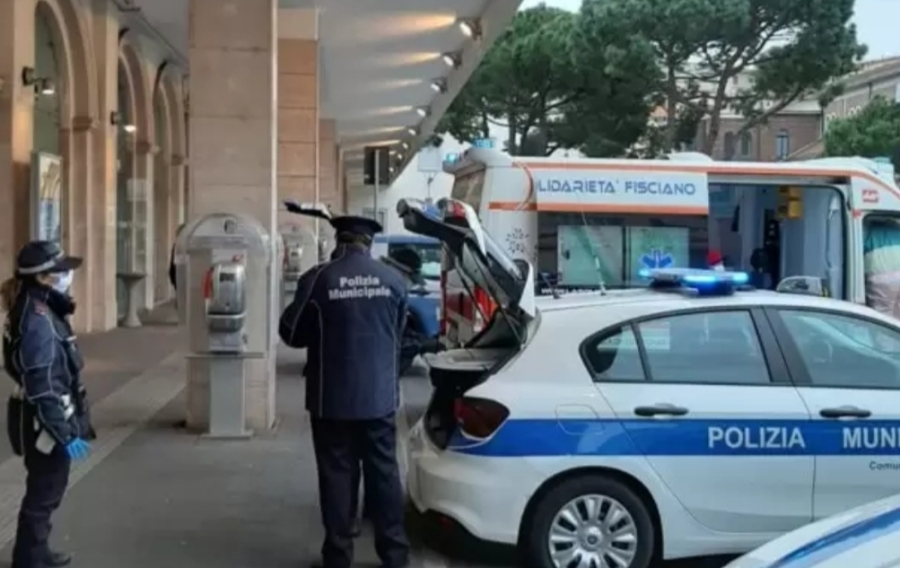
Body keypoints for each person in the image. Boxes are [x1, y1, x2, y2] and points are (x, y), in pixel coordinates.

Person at [279, 215, 410, 568]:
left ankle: (338, 556)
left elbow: (290, 333)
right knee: (384, 475)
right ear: (368, 243)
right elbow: (397, 334)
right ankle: (395, 555)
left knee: (337, 476)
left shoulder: (319, 279)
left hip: (330, 399)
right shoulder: (394, 281)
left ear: (339, 242)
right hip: (380, 398)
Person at [2, 241, 94, 568]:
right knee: (44, 491)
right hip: (44, 419)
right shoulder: (38, 318)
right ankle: (28, 557)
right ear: (42, 277)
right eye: (59, 271)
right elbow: (43, 385)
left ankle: (35, 550)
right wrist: (64, 433)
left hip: (41, 416)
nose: (66, 276)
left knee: (45, 488)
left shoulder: (36, 307)